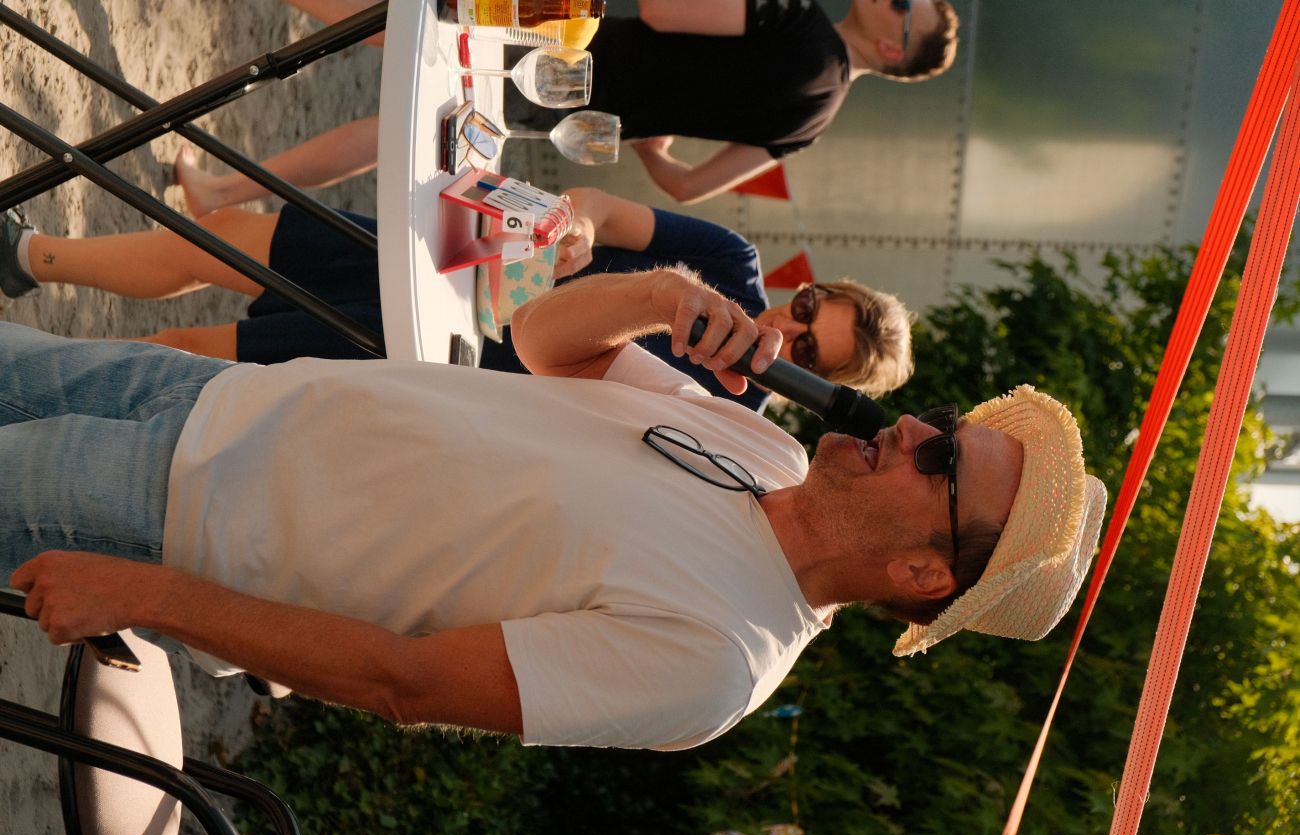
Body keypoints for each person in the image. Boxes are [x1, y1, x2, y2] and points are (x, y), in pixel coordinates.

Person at [5, 263, 1106, 750]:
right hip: (220, 397)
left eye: (941, 463)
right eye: (946, 423)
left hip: (170, 515)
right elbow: (543, 345)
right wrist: (664, 298)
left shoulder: (718, 658)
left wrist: (148, 591)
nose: (911, 429)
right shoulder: (762, 441)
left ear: (923, 574)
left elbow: (405, 679)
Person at [0, 189, 914, 411]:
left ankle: (30, 378)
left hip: (441, 358)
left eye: (807, 351)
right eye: (807, 310)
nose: (782, 327)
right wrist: (581, 230)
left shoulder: (722, 403)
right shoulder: (729, 257)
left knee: (195, 353)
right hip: (465, 261)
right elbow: (601, 207)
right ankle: (32, 257)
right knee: (239, 234)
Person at [171, 0, 961, 210]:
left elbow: (664, 11)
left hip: (577, 49)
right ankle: (222, 191)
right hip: (582, 103)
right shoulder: (815, 119)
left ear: (893, 48)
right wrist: (655, 139)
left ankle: (222, 191)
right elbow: (684, 186)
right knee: (408, 117)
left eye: (902, 6)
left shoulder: (802, 27)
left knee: (405, 25)